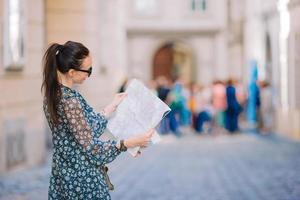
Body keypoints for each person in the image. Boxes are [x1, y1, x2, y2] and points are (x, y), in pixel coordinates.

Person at [41, 41, 154, 200]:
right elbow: (93, 149)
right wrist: (128, 143)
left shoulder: (57, 95)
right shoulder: (69, 101)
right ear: (72, 72)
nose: (89, 74)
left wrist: (112, 106)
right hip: (82, 180)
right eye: (88, 70)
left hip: (66, 175)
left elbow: (86, 130)